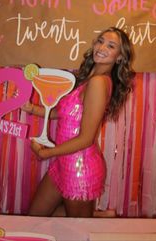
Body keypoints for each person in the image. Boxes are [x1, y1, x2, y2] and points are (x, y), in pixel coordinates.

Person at [22, 27, 135, 218]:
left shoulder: (99, 82)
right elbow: (64, 113)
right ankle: (99, 216)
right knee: (36, 217)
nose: (102, 47)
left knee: (77, 230)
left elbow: (86, 139)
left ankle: (96, 218)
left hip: (80, 169)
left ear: (119, 57)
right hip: (62, 163)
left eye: (111, 45)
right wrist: (32, 109)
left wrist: (46, 152)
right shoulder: (87, 78)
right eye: (100, 41)